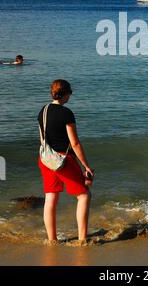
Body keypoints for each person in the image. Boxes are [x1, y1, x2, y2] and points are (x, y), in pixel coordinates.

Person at [38, 79, 93, 244]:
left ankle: (52, 239)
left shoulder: (43, 110)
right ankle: (82, 239)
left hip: (46, 159)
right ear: (66, 93)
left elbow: (43, 138)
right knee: (84, 195)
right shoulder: (66, 113)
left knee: (50, 198)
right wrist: (86, 166)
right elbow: (74, 143)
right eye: (70, 93)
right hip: (63, 161)